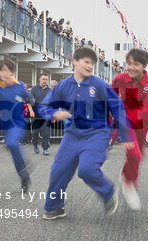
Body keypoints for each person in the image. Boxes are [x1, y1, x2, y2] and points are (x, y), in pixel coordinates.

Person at [37, 47, 134, 220]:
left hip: (97, 134)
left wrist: (126, 136)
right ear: (75, 61)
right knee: (58, 171)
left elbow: (118, 108)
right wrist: (53, 113)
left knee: (87, 170)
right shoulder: (62, 86)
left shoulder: (100, 85)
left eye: (92, 63)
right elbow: (44, 106)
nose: (90, 66)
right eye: (86, 62)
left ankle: (108, 191)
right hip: (72, 135)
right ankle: (55, 207)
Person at [111, 49, 148, 210]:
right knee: (134, 154)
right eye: (129, 63)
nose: (131, 67)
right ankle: (127, 181)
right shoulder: (120, 78)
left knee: (138, 157)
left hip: (141, 126)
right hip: (125, 125)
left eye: (136, 64)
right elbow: (110, 98)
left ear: (144, 66)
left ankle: (129, 178)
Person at [0, 59, 35, 192]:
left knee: (12, 144)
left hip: (18, 123)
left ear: (12, 72)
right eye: (1, 70)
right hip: (4, 125)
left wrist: (29, 100)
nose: (4, 73)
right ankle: (24, 177)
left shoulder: (20, 86)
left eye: (6, 70)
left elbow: (31, 99)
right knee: (14, 153)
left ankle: (22, 159)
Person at [29, 73, 52, 155]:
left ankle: (45, 148)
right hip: (36, 114)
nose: (45, 81)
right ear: (39, 79)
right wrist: (31, 110)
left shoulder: (50, 90)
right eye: (43, 79)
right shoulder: (34, 89)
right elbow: (29, 101)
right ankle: (35, 144)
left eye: (46, 79)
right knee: (35, 132)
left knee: (46, 132)